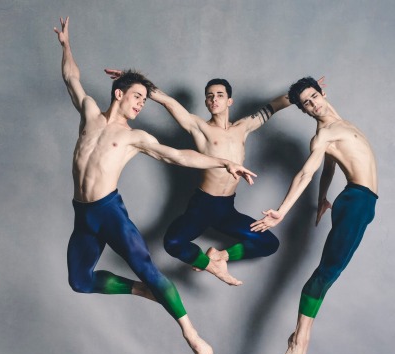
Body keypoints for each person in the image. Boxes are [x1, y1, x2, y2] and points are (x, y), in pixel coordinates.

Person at [54, 17, 256, 354]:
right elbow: (71, 78)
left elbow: (179, 155)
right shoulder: (90, 114)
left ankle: (192, 335)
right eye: (137, 97)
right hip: (83, 214)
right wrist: (66, 46)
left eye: (145, 100)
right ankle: (141, 291)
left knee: (148, 268)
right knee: (79, 282)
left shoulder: (136, 138)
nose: (141, 104)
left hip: (108, 212)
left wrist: (223, 162)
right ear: (119, 93)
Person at [105, 70, 294, 286]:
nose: (214, 99)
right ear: (206, 102)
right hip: (203, 206)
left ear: (229, 100)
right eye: (210, 96)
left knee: (269, 243)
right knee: (173, 242)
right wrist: (136, 79)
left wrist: (304, 91)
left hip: (227, 209)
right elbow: (168, 102)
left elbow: (274, 106)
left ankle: (220, 256)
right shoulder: (200, 127)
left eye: (219, 95)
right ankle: (209, 264)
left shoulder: (243, 127)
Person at [250, 77, 378, 354]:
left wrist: (322, 199)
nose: (313, 104)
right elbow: (306, 172)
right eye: (306, 104)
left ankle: (300, 335)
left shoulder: (342, 125)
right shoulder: (322, 135)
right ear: (304, 112)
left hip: (364, 202)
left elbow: (329, 166)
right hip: (357, 199)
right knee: (327, 271)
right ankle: (300, 341)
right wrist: (281, 211)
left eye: (314, 97)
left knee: (332, 269)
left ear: (323, 93)